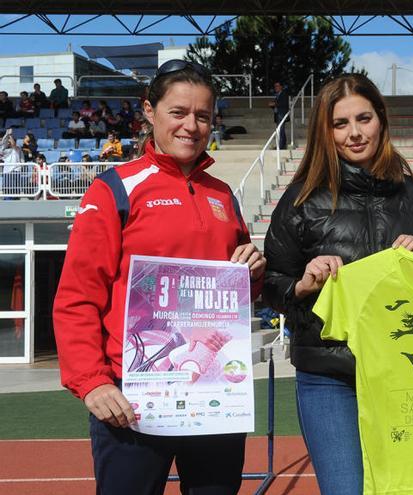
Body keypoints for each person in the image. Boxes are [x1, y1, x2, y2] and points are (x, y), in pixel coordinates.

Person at [53, 59, 266, 495]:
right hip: (132, 401)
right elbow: (77, 296)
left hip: (213, 399)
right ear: (149, 111)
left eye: (203, 116)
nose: (191, 125)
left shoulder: (222, 194)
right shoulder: (115, 188)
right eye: (179, 112)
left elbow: (235, 293)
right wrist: (90, 380)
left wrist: (253, 272)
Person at [262, 73, 413, 494]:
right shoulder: (301, 199)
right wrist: (303, 285)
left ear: (381, 120)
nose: (354, 133)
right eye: (340, 123)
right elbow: (271, 286)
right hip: (329, 378)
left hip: (405, 376)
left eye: (363, 118)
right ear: (325, 131)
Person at [268, 81, 289, 150]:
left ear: (281, 87)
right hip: (278, 114)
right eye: (275, 86)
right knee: (280, 130)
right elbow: (278, 104)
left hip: (281, 114)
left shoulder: (283, 94)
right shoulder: (278, 95)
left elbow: (284, 104)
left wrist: (274, 104)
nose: (276, 88)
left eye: (277, 86)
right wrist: (272, 105)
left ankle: (280, 146)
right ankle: (282, 145)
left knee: (280, 130)